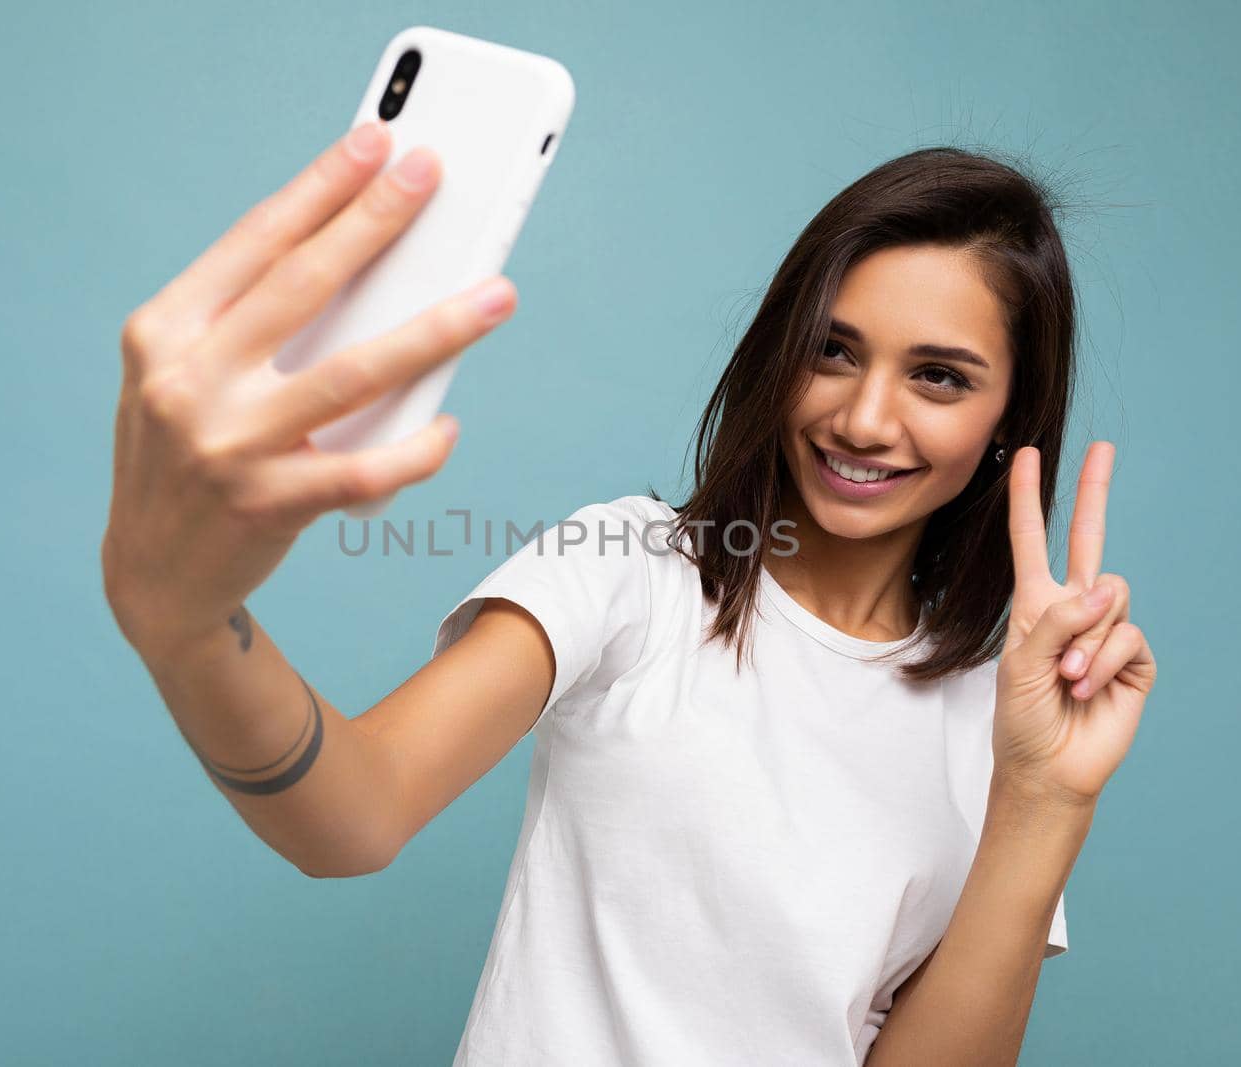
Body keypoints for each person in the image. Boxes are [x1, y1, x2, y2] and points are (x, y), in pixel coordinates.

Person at [101, 119, 1158, 1066]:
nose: (865, 418)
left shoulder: (1006, 720)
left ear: (1006, 425)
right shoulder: (634, 569)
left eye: (939, 376)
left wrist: (1044, 801)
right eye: (832, 350)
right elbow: (352, 816)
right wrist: (191, 623)